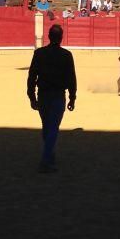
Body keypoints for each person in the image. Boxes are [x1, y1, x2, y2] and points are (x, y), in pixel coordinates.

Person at [27, 24, 77, 173]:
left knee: (47, 127)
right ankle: (46, 160)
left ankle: (50, 155)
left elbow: (31, 76)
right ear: (61, 38)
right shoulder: (66, 55)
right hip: (57, 96)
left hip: (43, 95)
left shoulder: (40, 53)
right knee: (53, 128)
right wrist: (72, 97)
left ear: (49, 37)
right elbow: (71, 78)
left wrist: (31, 96)